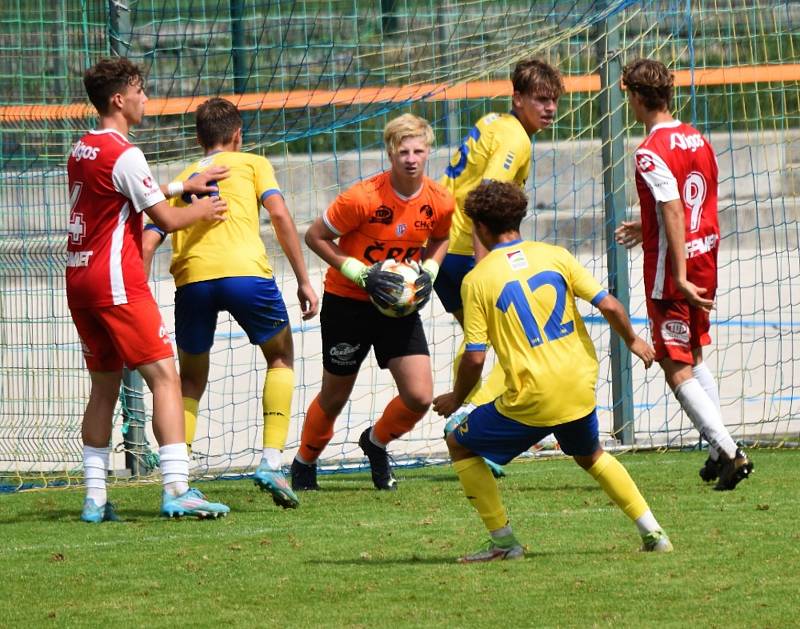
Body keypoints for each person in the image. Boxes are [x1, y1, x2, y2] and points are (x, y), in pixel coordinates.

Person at [432, 181, 672, 562]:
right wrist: (634, 342)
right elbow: (609, 304)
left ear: (478, 227)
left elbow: (475, 356)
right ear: (519, 217)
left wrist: (455, 399)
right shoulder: (555, 255)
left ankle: (504, 543)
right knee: (591, 455)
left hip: (531, 396)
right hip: (578, 384)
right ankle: (654, 533)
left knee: (458, 442)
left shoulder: (477, 280)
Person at [67, 57, 231, 522]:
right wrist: (202, 207)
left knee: (103, 388)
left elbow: (126, 192)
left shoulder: (82, 147)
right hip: (117, 281)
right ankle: (177, 487)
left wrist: (182, 184)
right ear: (119, 99)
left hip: (79, 278)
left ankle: (95, 498)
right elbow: (164, 219)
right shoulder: (126, 152)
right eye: (140, 91)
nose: (146, 99)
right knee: (165, 378)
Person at [142, 98, 319, 509]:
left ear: (198, 138)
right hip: (247, 276)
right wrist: (304, 280)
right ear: (238, 135)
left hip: (193, 281)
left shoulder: (183, 177)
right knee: (280, 357)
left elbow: (150, 239)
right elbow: (279, 215)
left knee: (188, 382)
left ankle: (179, 482)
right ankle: (271, 461)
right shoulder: (254, 164)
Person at [290, 113, 454, 491]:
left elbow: (441, 238)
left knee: (419, 395)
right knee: (335, 395)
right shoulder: (362, 198)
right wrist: (359, 272)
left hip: (399, 305)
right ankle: (304, 462)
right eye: (403, 151)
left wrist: (428, 270)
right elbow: (315, 236)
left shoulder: (440, 200)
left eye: (418, 150)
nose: (411, 158)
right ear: (390, 153)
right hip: (348, 302)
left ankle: (376, 442)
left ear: (428, 152)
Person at [615, 58, 753, 490]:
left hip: (674, 270)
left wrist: (677, 274)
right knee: (693, 355)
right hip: (705, 256)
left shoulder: (649, 151)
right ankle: (717, 451)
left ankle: (730, 452)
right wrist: (649, 225)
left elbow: (674, 206)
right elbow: (695, 200)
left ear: (636, 97)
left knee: (675, 366)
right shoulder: (697, 137)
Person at [435, 59, 564, 476]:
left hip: (444, 246)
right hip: (466, 249)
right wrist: (484, 263)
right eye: (541, 100)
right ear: (518, 99)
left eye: (555, 101)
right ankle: (470, 420)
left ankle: (490, 422)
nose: (550, 109)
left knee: (486, 337)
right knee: (497, 338)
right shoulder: (516, 141)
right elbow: (485, 198)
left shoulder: (493, 120)